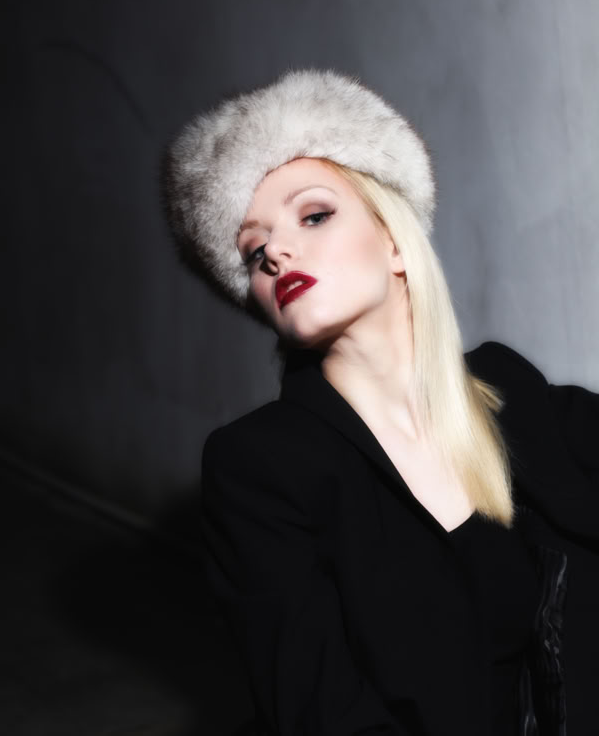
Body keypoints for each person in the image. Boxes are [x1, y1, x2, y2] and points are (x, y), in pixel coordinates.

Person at [163, 68, 598, 736]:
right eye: (254, 251)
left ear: (395, 240)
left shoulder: (506, 389)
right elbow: (319, 709)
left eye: (313, 215)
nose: (277, 252)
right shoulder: (257, 466)